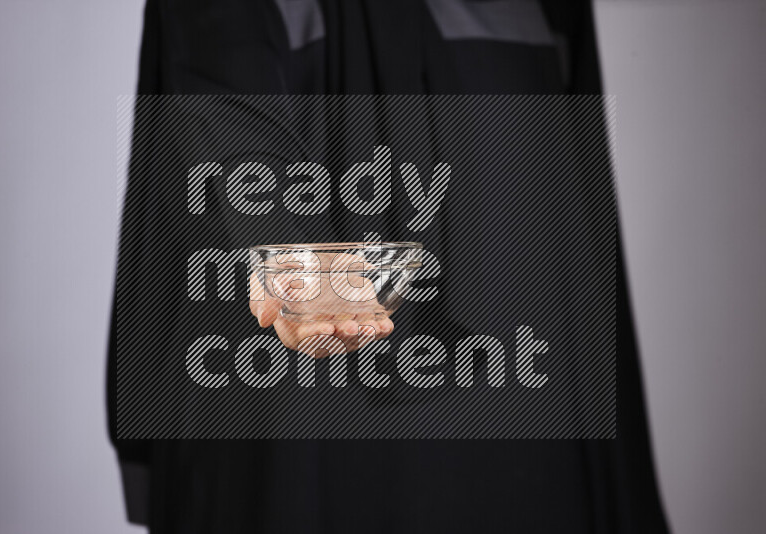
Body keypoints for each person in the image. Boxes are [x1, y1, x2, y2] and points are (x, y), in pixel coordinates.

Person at [108, 1, 670, 532]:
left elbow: (576, 185)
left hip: (528, 368)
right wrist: (289, 244)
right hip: (305, 379)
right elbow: (221, 76)